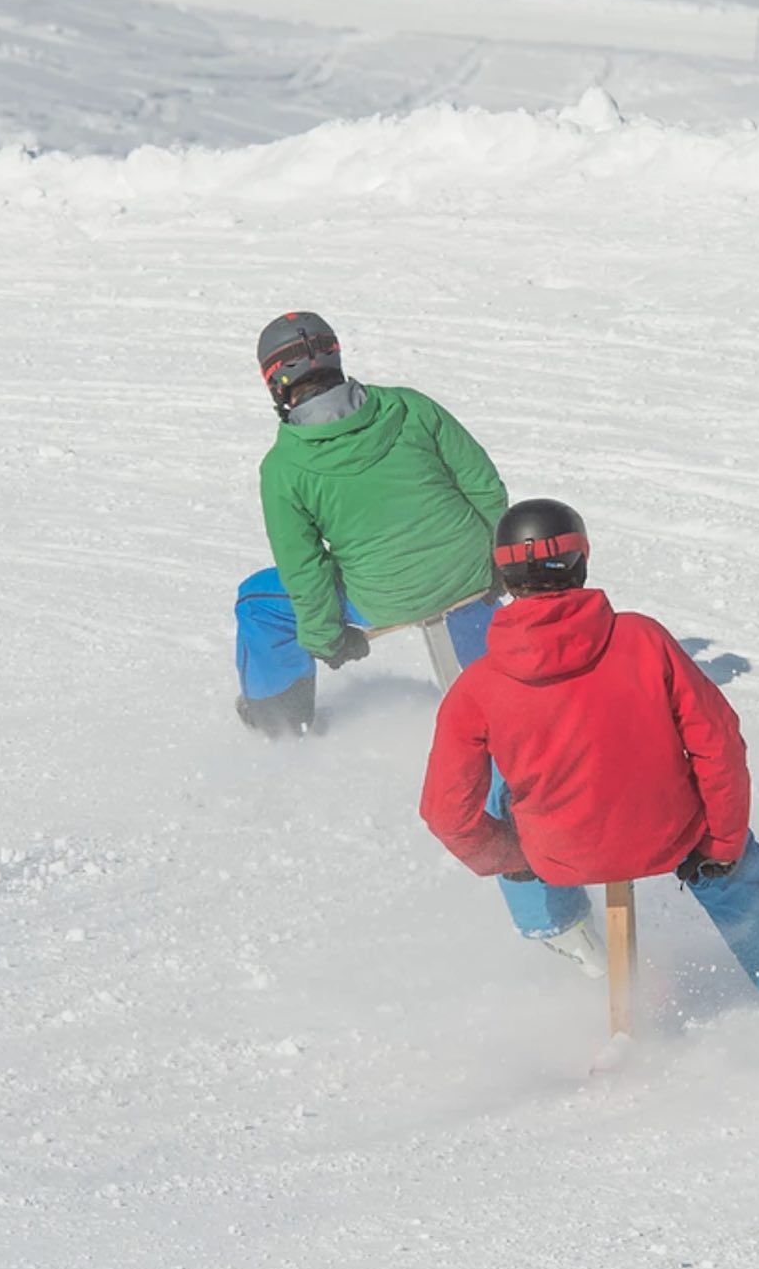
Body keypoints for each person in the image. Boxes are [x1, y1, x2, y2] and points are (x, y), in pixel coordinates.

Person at [237, 311, 587, 952]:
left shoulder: (285, 467)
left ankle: (280, 718)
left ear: (276, 384)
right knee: (506, 729)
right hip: (473, 576)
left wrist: (326, 636)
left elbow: (304, 565)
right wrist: (504, 568)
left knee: (259, 604)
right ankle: (552, 912)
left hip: (385, 597)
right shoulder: (410, 407)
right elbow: (484, 485)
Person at [420, 498, 759, 1007]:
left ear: (504, 576)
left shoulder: (477, 686)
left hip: (558, 851)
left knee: (496, 791)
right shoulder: (642, 639)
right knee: (735, 869)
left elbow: (447, 812)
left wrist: (515, 857)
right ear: (582, 561)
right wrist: (723, 842)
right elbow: (718, 742)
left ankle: (561, 930)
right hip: (669, 832)